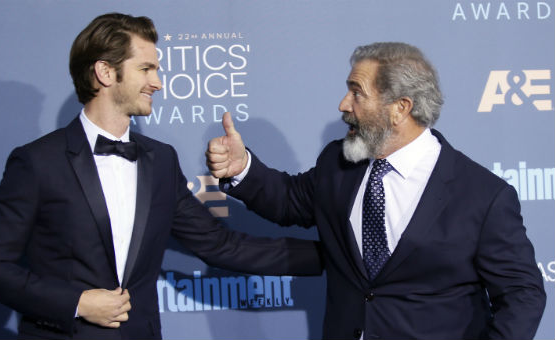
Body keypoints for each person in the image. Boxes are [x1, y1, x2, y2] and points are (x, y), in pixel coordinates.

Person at [0, 13, 322, 340]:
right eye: (146, 69)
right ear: (106, 73)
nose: (158, 82)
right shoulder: (37, 162)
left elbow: (220, 245)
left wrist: (336, 255)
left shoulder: (160, 160)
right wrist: (76, 302)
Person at [206, 42, 546, 339]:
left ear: (400, 108)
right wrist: (243, 169)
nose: (343, 103)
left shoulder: (483, 195)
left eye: (357, 92)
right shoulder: (338, 164)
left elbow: (522, 294)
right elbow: (289, 200)